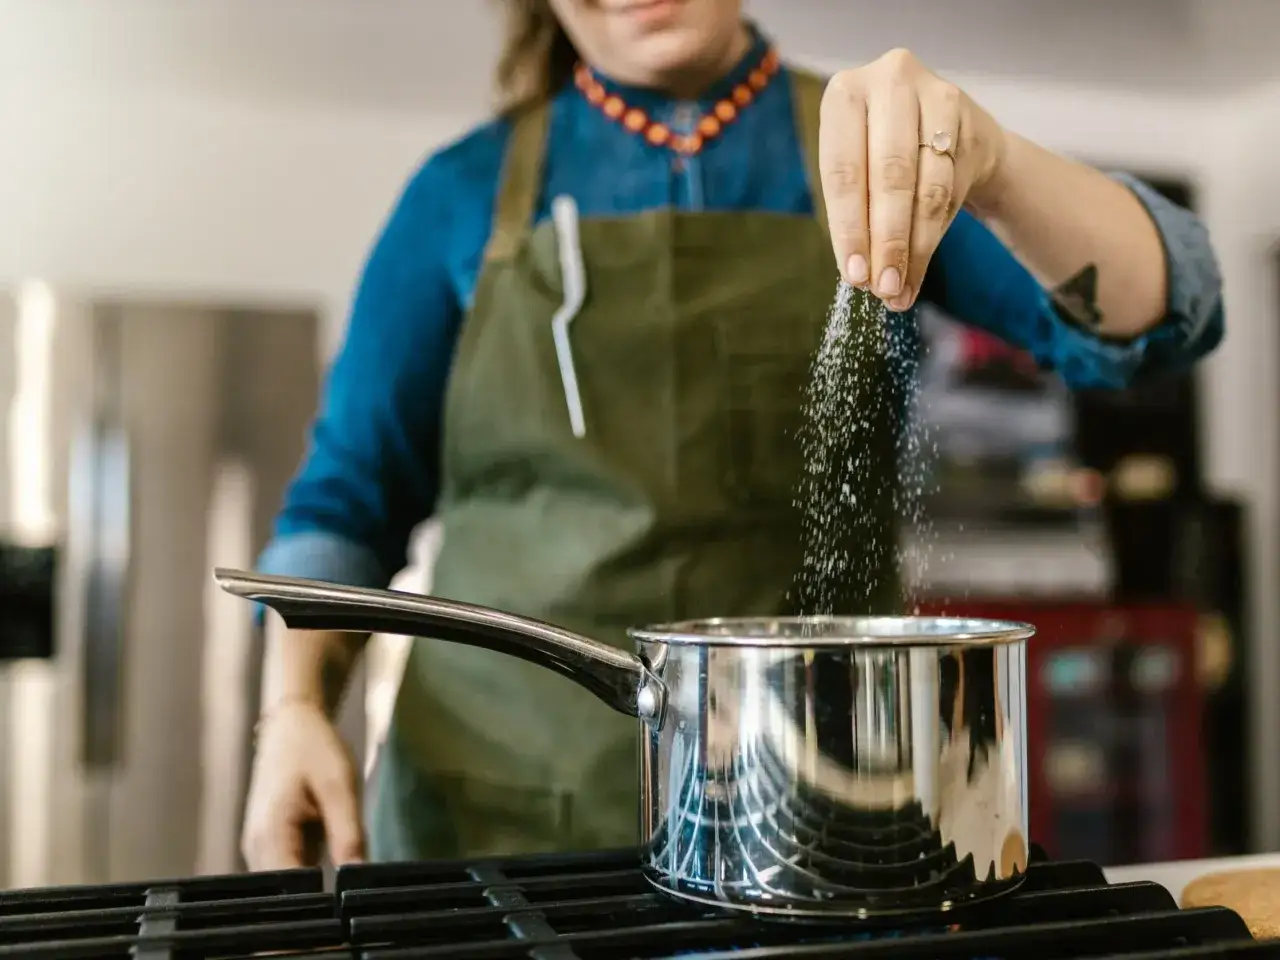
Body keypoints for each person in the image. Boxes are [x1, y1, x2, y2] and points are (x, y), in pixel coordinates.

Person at [240, 0, 1224, 870]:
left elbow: (1157, 321)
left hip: (812, 809)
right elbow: (344, 505)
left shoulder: (877, 155)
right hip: (495, 818)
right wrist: (291, 711)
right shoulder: (458, 195)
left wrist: (994, 160)